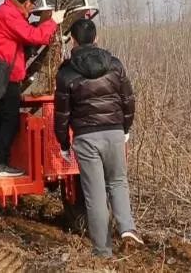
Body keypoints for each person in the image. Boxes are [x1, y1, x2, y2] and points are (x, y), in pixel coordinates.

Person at [54, 18, 142, 257]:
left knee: (95, 195)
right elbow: (128, 100)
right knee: (118, 182)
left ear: (72, 40)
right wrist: (125, 128)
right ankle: (126, 226)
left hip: (85, 138)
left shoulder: (66, 72)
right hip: (114, 132)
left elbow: (62, 113)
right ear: (96, 37)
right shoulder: (114, 65)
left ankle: (103, 251)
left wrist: (63, 144)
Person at [0, 0, 65, 177]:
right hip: (7, 77)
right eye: (33, 5)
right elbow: (34, 37)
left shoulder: (4, 11)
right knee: (10, 121)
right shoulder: (10, 16)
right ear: (26, 3)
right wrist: (53, 22)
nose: (33, 9)